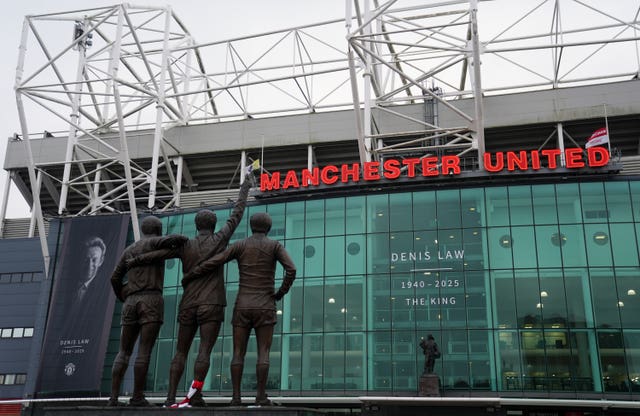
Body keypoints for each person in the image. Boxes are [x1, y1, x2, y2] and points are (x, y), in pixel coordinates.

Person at [127, 174, 251, 408]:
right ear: (213, 225)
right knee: (205, 349)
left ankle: (171, 398)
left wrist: (137, 259)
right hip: (212, 303)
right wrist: (244, 187)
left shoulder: (185, 245)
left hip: (188, 303)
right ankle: (194, 396)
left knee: (180, 351)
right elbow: (237, 214)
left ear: (197, 225)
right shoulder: (220, 239)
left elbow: (161, 254)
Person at [183, 212, 296, 406]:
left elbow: (215, 261)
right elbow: (291, 269)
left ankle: (236, 397)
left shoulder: (240, 245)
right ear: (268, 228)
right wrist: (279, 293)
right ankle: (260, 395)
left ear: (252, 227)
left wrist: (192, 274)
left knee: (238, 353)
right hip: (265, 304)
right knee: (263, 352)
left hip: (242, 305)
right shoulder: (274, 245)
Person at [107, 216, 188, 407]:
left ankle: (113, 397)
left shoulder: (129, 250)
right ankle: (137, 396)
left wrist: (123, 295)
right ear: (158, 229)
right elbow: (178, 238)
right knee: (144, 351)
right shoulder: (154, 242)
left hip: (131, 301)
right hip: (151, 299)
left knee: (123, 351)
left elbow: (114, 278)